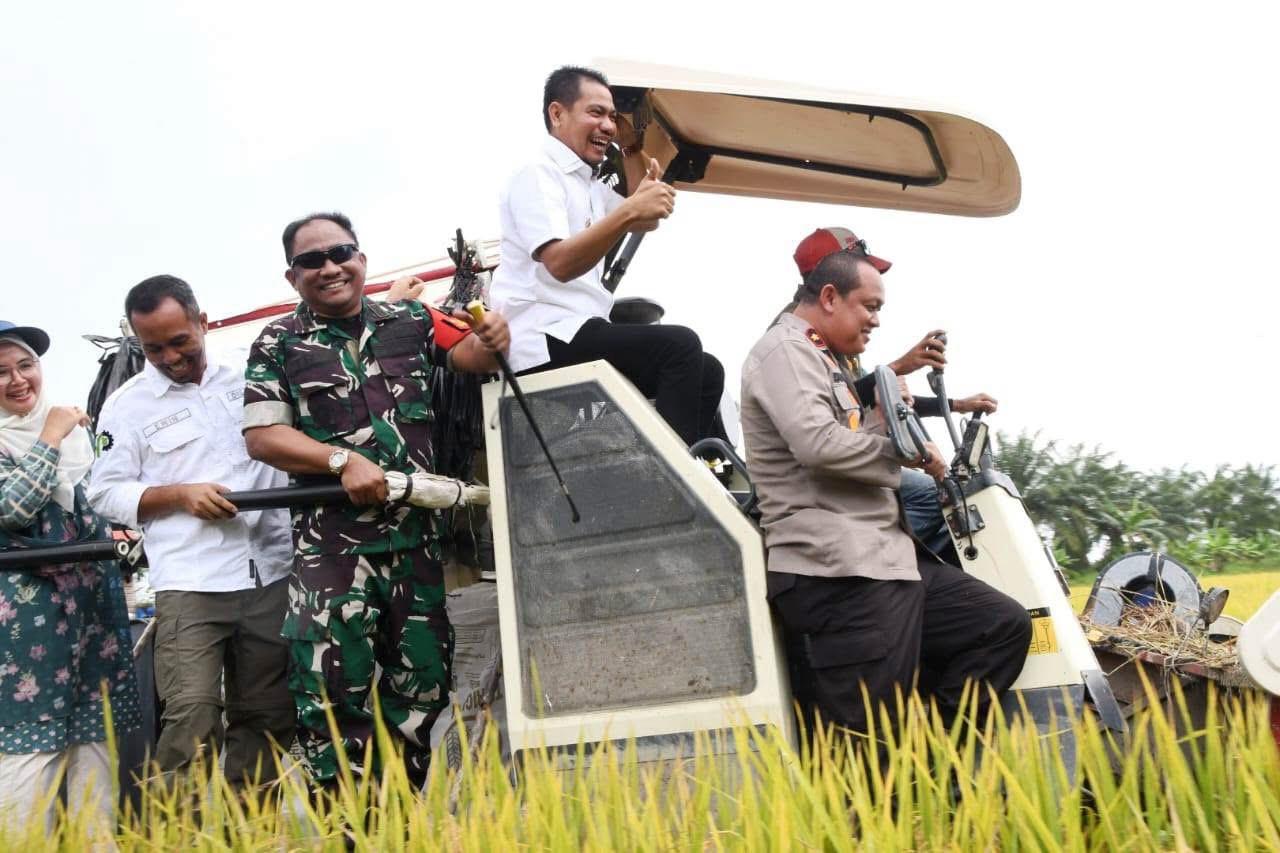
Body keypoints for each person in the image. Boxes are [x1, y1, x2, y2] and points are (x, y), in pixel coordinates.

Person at [241, 211, 509, 789]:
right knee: (332, 699)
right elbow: (262, 436)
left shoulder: (411, 319)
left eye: (341, 253)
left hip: (416, 545)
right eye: (312, 260)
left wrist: (495, 338)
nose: (330, 267)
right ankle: (345, 830)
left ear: (362, 260)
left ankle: (401, 827)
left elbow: (474, 358)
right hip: (333, 553)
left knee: (420, 694)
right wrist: (340, 459)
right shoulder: (277, 341)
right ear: (293, 277)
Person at [739, 248, 1031, 741]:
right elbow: (818, 444)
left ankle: (936, 764)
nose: (875, 321)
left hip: (885, 560)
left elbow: (855, 431)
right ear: (829, 297)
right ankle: (889, 798)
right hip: (838, 570)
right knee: (867, 741)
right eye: (869, 307)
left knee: (1000, 626)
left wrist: (890, 413)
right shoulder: (784, 352)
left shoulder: (825, 357)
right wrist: (915, 455)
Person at [87, 276, 295, 784]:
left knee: (267, 716)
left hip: (271, 569)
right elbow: (104, 493)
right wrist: (180, 495)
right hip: (191, 579)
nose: (170, 356)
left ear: (203, 322)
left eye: (180, 340)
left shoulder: (251, 374)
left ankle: (254, 835)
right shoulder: (126, 404)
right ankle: (180, 835)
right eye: (153, 347)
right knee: (193, 714)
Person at [489, 64, 724, 446]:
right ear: (557, 113)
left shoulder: (585, 182)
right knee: (680, 348)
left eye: (613, 116)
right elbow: (560, 262)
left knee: (707, 371)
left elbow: (638, 216)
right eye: (596, 112)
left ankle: (685, 465)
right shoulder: (536, 174)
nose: (609, 125)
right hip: (543, 335)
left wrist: (631, 147)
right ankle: (671, 481)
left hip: (579, 328)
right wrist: (633, 209)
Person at [0, 320, 141, 832]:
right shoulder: (51, 434)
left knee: (95, 755)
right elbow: (12, 508)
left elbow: (96, 512)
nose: (18, 380)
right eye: (1, 372)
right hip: (25, 638)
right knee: (26, 761)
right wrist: (50, 436)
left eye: (26, 365)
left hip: (91, 622)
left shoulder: (75, 440)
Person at [791, 227, 999, 556]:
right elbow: (836, 402)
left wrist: (956, 404)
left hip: (849, 456)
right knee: (937, 500)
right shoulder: (796, 337)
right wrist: (897, 367)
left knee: (946, 494)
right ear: (833, 277)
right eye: (859, 265)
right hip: (820, 477)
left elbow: (865, 396)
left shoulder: (835, 337)